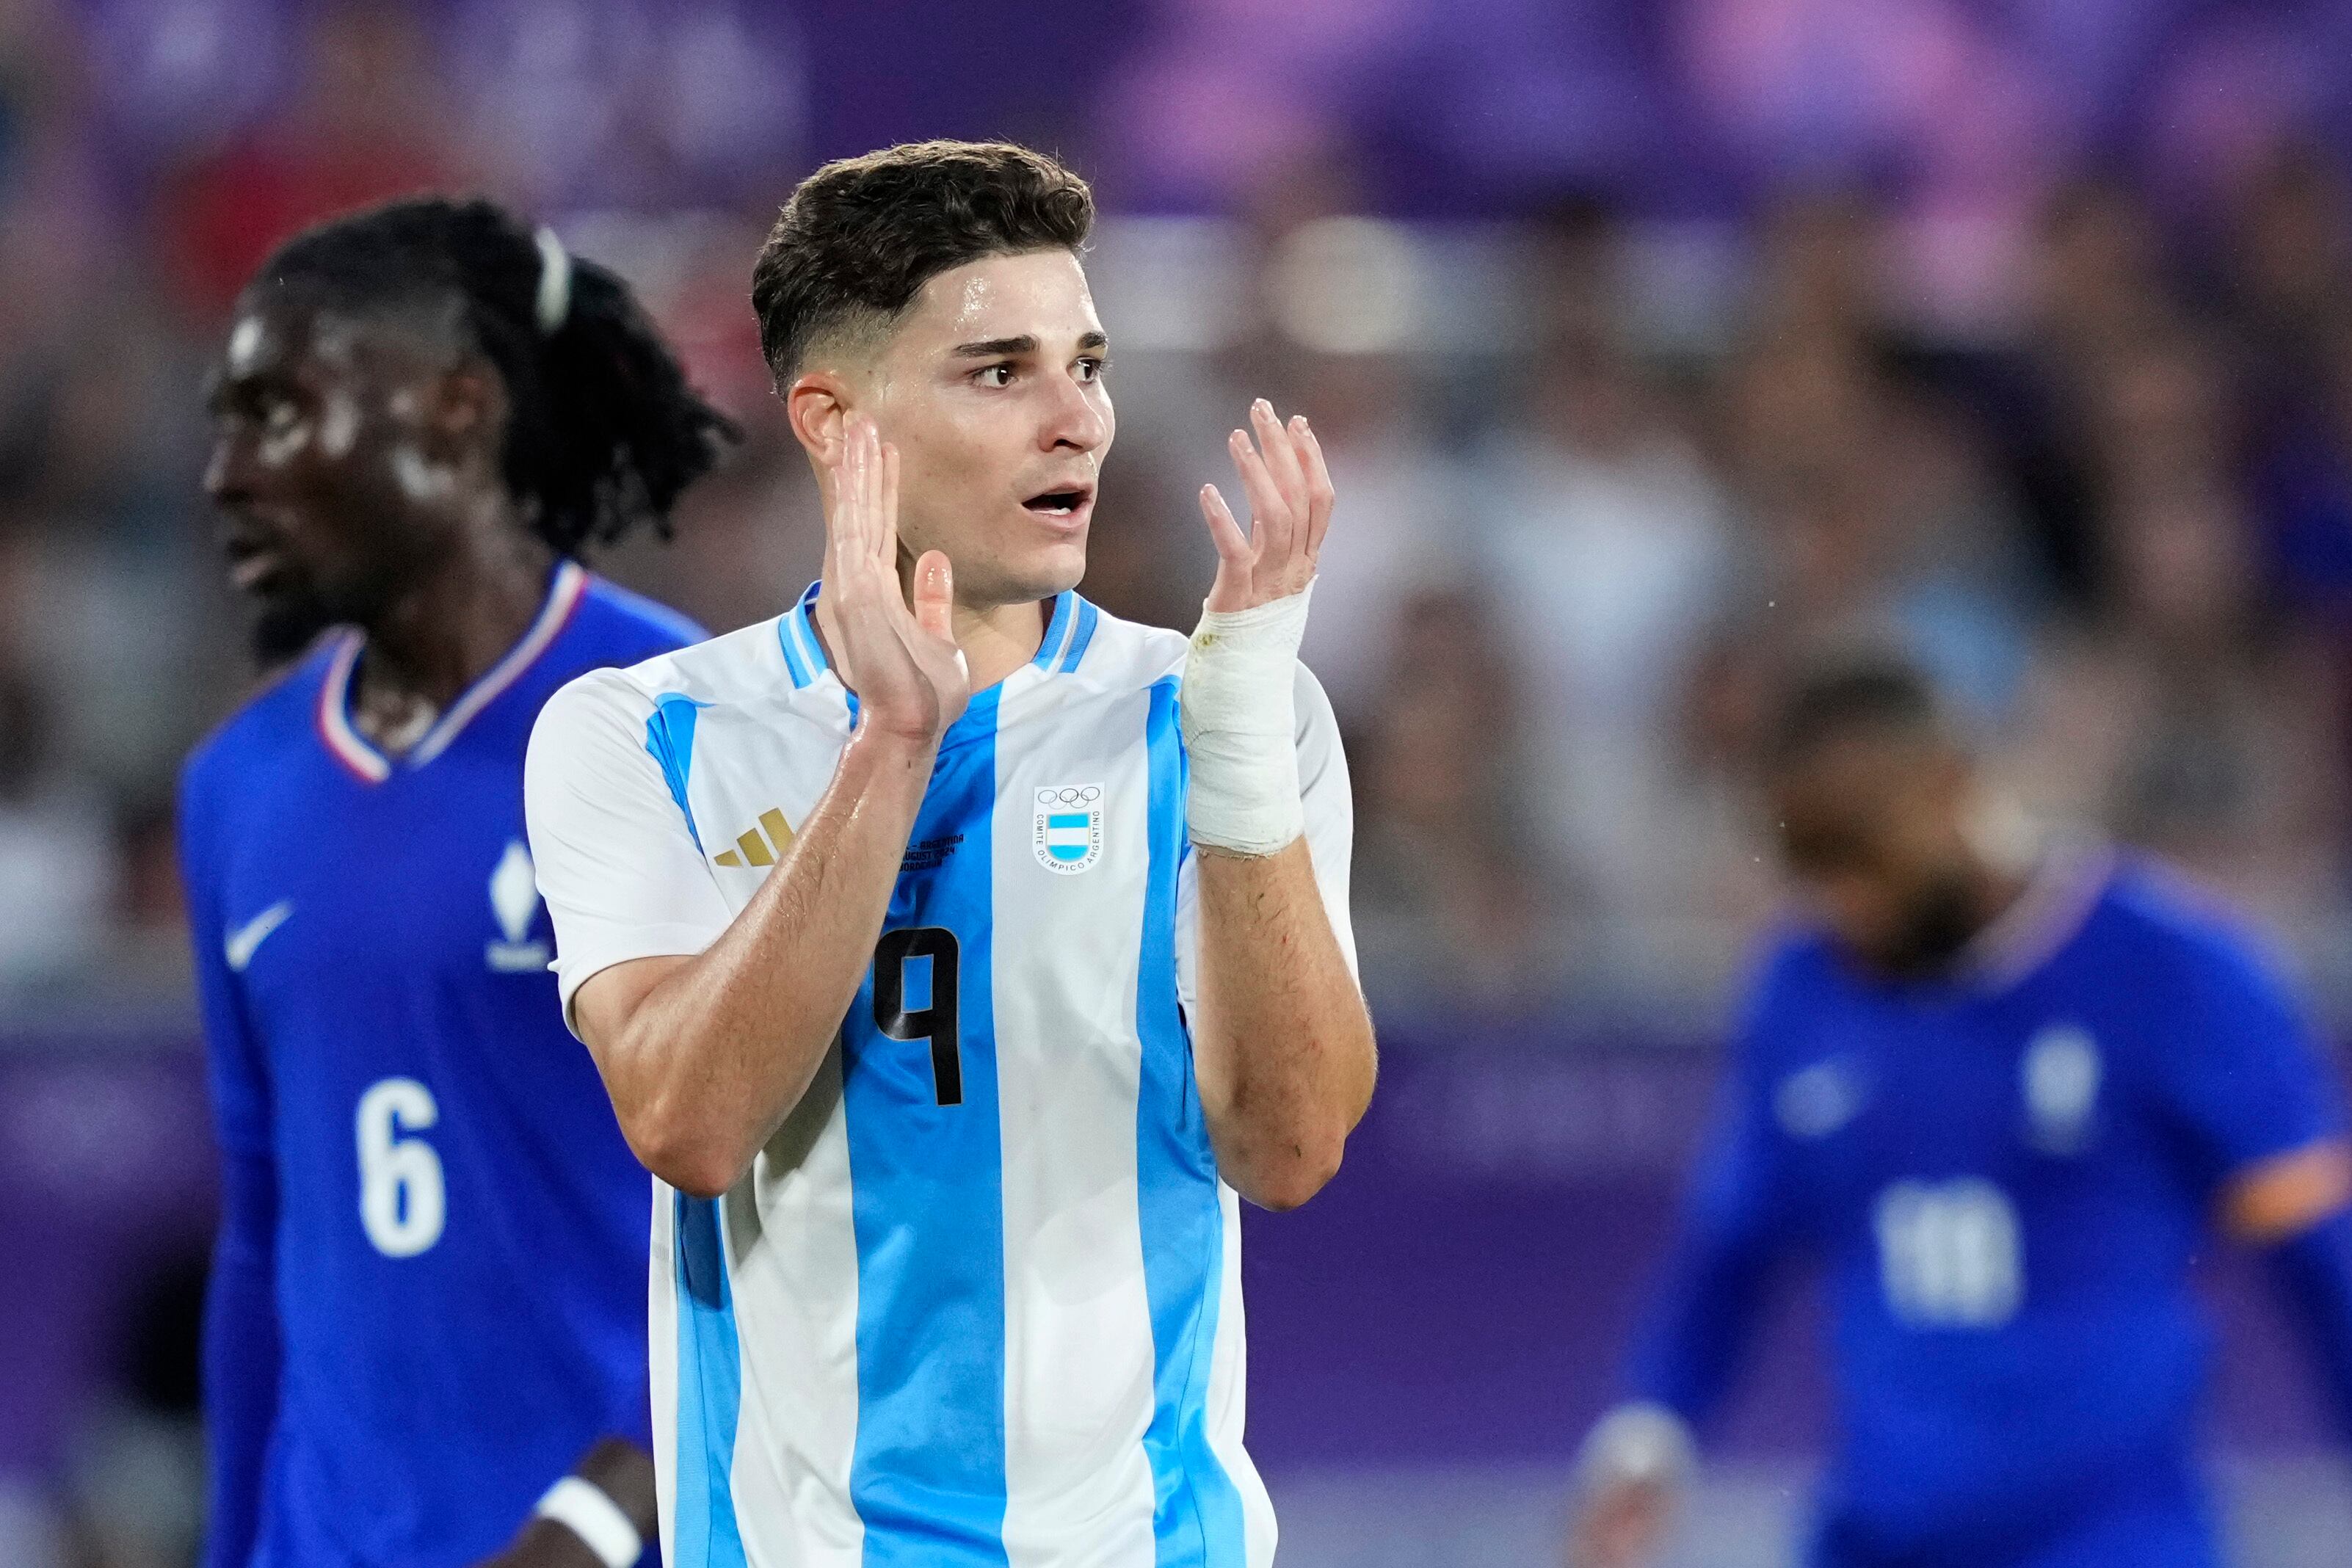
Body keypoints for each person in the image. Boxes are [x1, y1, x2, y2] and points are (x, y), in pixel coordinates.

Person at [523, 139, 1377, 1566]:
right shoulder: (647, 734)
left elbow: (1288, 1151)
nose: (1080, 423)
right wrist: (888, 754)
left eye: (1089, 366)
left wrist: (1231, 756)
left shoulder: (1220, 713)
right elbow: (689, 1122)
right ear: (832, 421)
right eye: (1003, 373)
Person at [181, 195, 738, 1568]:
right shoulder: (235, 785)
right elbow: (264, 1237)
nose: (227, 472)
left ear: (453, 410)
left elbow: (803, 1200)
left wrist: (601, 1516)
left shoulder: (680, 720)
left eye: (277, 412)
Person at [1567, 653, 2352, 1568]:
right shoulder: (1803, 988)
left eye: (1863, 856)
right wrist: (1650, 1432)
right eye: (1812, 868)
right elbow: (1732, 1249)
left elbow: (2319, 1255)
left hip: (2113, 1539)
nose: (1846, 900)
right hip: (1879, 1534)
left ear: (1953, 786)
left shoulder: (2171, 970)